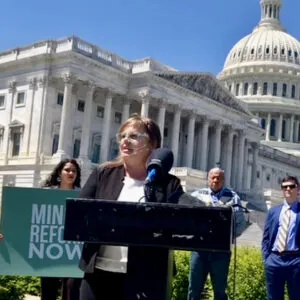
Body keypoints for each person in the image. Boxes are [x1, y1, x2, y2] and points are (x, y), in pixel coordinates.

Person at [78, 114, 184, 300]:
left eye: (134, 136)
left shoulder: (169, 184)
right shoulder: (103, 174)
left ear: (152, 144)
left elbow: (175, 226)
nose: (125, 140)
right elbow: (80, 213)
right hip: (99, 272)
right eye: (122, 136)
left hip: (146, 276)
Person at [187, 167, 245, 300]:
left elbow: (241, 223)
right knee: (193, 289)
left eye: (218, 178)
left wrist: (227, 236)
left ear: (223, 180)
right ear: (208, 179)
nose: (215, 180)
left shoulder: (233, 197)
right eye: (213, 177)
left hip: (221, 251)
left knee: (220, 290)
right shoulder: (197, 195)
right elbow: (188, 218)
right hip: (200, 249)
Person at [40, 159, 82, 300]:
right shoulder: (45, 193)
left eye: (74, 171)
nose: (71, 173)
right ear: (59, 172)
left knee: (71, 290)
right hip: (49, 248)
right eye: (67, 170)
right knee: (48, 291)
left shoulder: (83, 195)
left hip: (73, 252)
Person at [262, 175, 300, 300]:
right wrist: (266, 259)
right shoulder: (273, 212)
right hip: (274, 260)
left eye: (291, 186)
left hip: (295, 260)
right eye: (285, 187)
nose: (288, 189)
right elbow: (266, 238)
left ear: (298, 190)